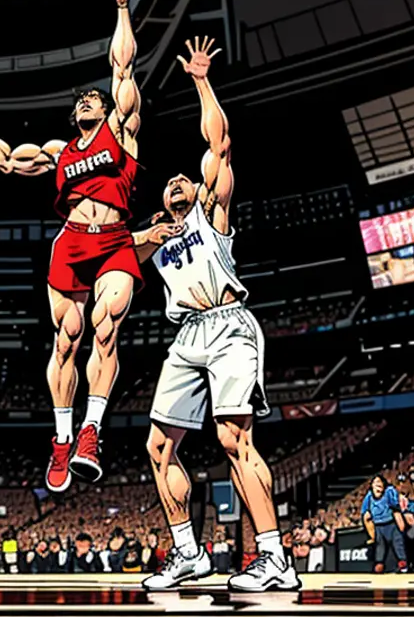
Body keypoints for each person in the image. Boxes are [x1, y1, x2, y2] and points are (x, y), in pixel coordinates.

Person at [0, 0, 144, 492]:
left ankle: (91, 431)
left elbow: (122, 66)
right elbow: (7, 162)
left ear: (104, 109)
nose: (85, 102)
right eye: (79, 101)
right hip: (72, 241)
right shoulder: (60, 151)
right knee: (67, 339)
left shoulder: (121, 133)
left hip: (116, 240)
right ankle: (61, 439)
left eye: (92, 99)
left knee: (106, 327)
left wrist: (121, 8)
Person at [136, 37, 298, 593]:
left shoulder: (211, 214)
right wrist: (144, 233)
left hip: (229, 324)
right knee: (159, 446)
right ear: (161, 200)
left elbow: (220, 145)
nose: (179, 179)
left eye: (185, 177)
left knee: (234, 439)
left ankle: (274, 557)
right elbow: (105, 253)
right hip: (186, 335)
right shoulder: (155, 240)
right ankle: (187, 553)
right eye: (171, 180)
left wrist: (201, 80)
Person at [362, 474, 407, 574]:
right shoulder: (369, 496)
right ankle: (379, 565)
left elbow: (395, 509)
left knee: (398, 544)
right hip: (378, 526)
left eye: (379, 482)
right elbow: (365, 512)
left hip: (391, 523)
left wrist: (400, 522)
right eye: (375, 483)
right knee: (380, 548)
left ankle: (403, 565)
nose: (378, 484)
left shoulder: (389, 491)